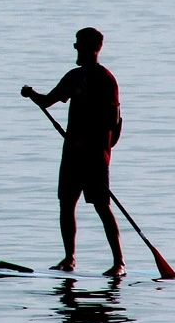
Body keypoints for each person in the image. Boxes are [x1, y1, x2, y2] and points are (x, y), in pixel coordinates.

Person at [21, 27, 125, 276]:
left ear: (93, 48)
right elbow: (48, 101)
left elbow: (114, 123)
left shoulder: (105, 79)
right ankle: (69, 259)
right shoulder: (74, 77)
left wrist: (97, 148)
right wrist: (31, 94)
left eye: (79, 44)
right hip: (71, 155)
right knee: (66, 204)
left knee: (101, 206)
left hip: (95, 156)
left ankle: (119, 263)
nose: (75, 48)